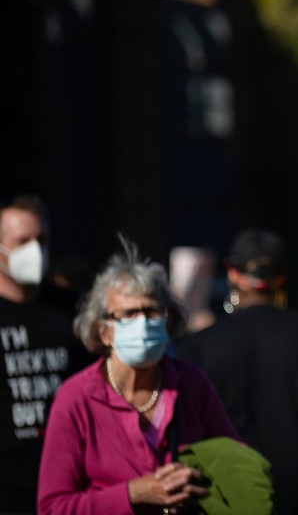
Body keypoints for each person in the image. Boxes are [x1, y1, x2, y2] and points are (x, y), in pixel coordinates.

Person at [37, 236, 239, 515]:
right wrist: (132, 494)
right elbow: (54, 507)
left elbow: (236, 467)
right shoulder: (76, 398)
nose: (143, 323)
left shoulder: (191, 383)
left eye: (152, 311)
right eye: (129, 314)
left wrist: (194, 480)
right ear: (103, 331)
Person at [175, 228, 298, 515]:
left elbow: (185, 428)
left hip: (227, 491)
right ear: (283, 276)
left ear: (232, 273)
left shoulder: (200, 345)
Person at [0, 195, 89, 514]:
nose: (34, 250)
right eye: (22, 241)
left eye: (41, 239)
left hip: (69, 482)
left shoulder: (73, 307)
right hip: (8, 490)